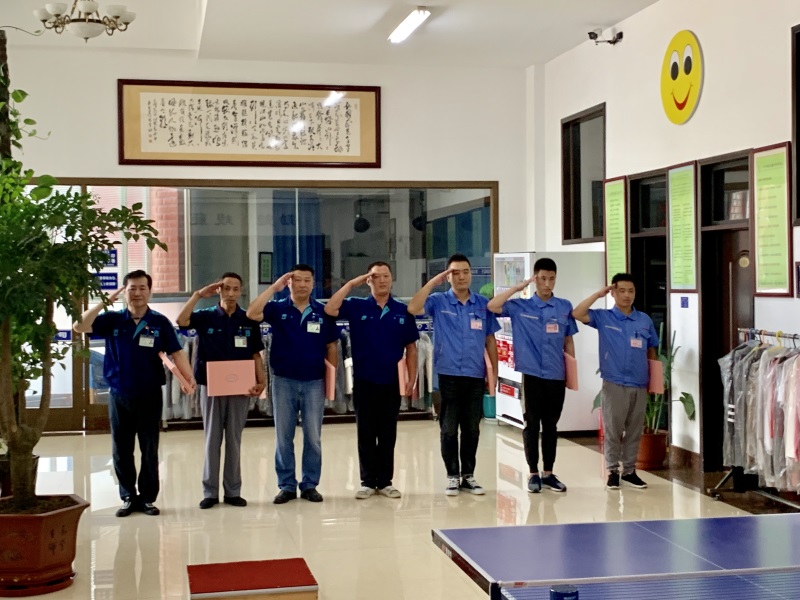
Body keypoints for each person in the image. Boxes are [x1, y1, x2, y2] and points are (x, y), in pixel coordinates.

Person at [73, 270, 195, 517]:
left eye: (142, 288)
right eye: (132, 288)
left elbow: (177, 352)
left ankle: (148, 498)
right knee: (121, 449)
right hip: (119, 394)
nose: (137, 293)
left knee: (149, 448)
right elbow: (79, 326)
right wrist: (104, 302)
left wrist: (188, 378)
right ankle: (128, 496)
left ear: (150, 292)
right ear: (124, 292)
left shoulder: (159, 322)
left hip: (150, 394)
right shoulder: (112, 320)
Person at [324, 261, 418, 499]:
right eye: (376, 276)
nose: (382, 280)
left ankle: (385, 481)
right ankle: (367, 481)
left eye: (386, 276)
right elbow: (331, 309)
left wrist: (412, 378)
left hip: (392, 382)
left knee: (388, 433)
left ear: (392, 279)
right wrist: (351, 284)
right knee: (365, 432)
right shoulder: (356, 306)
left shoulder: (402, 310)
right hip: (364, 380)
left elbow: (412, 348)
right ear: (368, 280)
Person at [407, 253, 499, 496]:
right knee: (448, 429)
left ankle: (468, 475)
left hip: (475, 375)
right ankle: (451, 476)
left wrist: (494, 375)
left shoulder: (482, 304)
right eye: (455, 273)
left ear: (471, 275)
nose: (461, 277)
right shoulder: (438, 301)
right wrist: (433, 282)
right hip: (447, 375)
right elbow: (413, 308)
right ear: (448, 277)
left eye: (465, 272)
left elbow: (490, 340)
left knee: (472, 429)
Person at [246, 264, 338, 504]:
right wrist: (273, 288)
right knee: (283, 436)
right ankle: (286, 485)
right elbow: (252, 313)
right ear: (289, 283)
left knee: (313, 437)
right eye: (297, 280)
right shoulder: (277, 308)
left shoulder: (323, 311)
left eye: (307, 280)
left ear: (313, 284)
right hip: (283, 381)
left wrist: (332, 380)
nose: (302, 284)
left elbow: (331, 346)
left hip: (314, 382)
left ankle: (310, 484)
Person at [487, 257, 578, 494]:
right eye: (543, 278)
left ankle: (548, 473)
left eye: (552, 279)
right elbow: (493, 306)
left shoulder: (564, 307)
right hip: (531, 375)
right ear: (535, 279)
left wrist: (572, 374)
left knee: (551, 425)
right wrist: (518, 287)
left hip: (556, 375)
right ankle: (533, 473)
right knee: (531, 424)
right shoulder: (520, 306)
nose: (547, 284)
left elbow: (568, 341)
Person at [176, 273, 266, 510]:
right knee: (212, 439)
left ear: (241, 291)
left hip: (241, 387)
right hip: (212, 385)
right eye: (226, 288)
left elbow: (256, 353)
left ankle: (233, 491)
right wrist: (197, 295)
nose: (231, 293)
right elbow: (181, 320)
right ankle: (210, 492)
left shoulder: (248, 319)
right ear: (218, 290)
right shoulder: (205, 317)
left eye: (235, 289)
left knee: (234, 439)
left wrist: (262, 380)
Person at [572, 272, 659, 490]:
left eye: (631, 291)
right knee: (613, 429)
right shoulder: (604, 317)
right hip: (614, 383)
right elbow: (577, 313)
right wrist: (598, 294)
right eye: (622, 291)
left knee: (634, 430)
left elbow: (652, 350)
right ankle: (612, 471)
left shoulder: (644, 320)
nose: (627, 295)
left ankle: (629, 471)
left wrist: (654, 381)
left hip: (639, 383)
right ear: (613, 293)